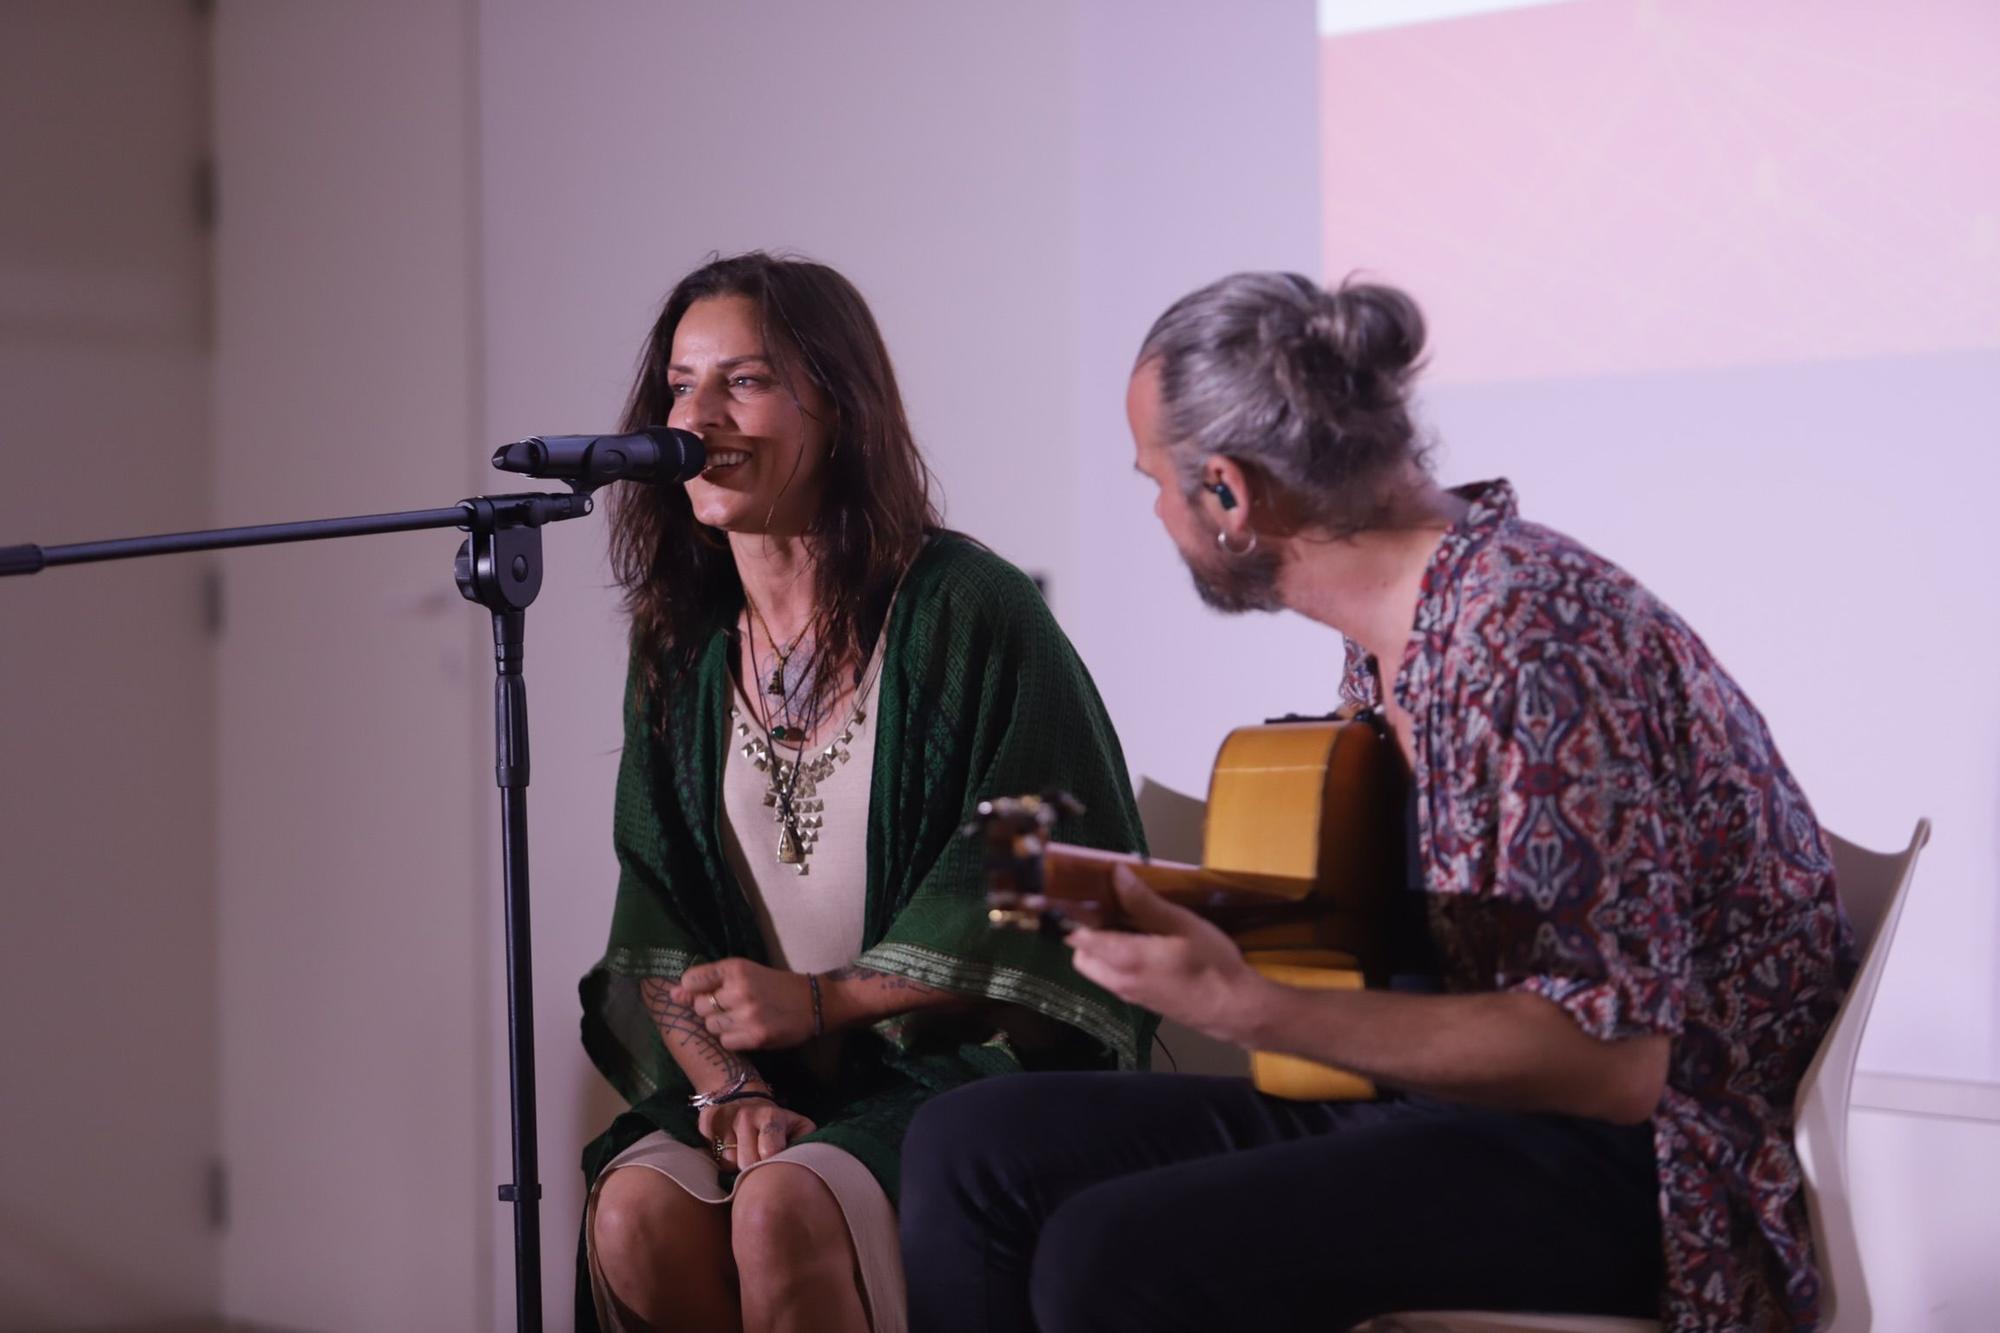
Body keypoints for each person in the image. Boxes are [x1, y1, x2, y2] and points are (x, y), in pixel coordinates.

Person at [898, 273, 1855, 1333]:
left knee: (1111, 1251)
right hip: (1446, 1111)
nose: (1158, 514)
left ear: (1228, 492)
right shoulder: (1391, 646)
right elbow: (1406, 938)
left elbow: (1610, 1065)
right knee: (968, 1147)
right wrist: (1159, 905)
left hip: (1643, 1169)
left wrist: (1239, 1004)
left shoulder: (1528, 639)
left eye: (1156, 482)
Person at [575, 252, 1151, 1333]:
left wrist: (829, 1000)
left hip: (955, 1068)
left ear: (836, 407)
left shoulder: (964, 608)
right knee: (634, 1213)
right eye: (679, 385)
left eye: (742, 381)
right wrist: (727, 1088)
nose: (696, 416)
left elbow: (1050, 873)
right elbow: (656, 930)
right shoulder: (681, 645)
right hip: (774, 1079)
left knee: (783, 1205)